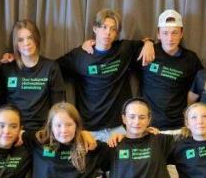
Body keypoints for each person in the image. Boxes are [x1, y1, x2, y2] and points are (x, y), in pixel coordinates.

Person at [57, 8, 154, 138]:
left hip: (118, 128)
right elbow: (53, 71)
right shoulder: (80, 55)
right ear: (95, 28)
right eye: (104, 27)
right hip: (89, 130)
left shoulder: (124, 49)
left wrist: (149, 43)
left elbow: (146, 42)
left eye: (113, 29)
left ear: (116, 33)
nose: (108, 32)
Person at [137, 10, 204, 131]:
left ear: (181, 34)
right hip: (149, 126)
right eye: (165, 33)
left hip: (179, 126)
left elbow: (202, 85)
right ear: (158, 34)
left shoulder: (190, 58)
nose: (170, 38)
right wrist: (147, 42)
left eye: (175, 33)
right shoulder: (147, 51)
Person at [0, 19, 67, 132]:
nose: (26, 43)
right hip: (13, 131)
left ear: (37, 38)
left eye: (30, 37)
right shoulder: (7, 68)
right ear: (16, 44)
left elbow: (59, 107)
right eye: (21, 40)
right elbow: (1, 105)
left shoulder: (51, 67)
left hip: (42, 131)